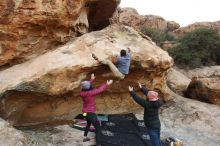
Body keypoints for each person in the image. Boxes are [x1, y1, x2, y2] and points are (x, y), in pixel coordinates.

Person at [80, 73, 113, 146]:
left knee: (88, 124)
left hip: (84, 113)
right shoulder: (90, 93)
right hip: (91, 113)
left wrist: (92, 79)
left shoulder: (82, 92)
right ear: (89, 87)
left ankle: (85, 137)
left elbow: (86, 85)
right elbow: (99, 90)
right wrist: (107, 84)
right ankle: (99, 144)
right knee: (98, 129)